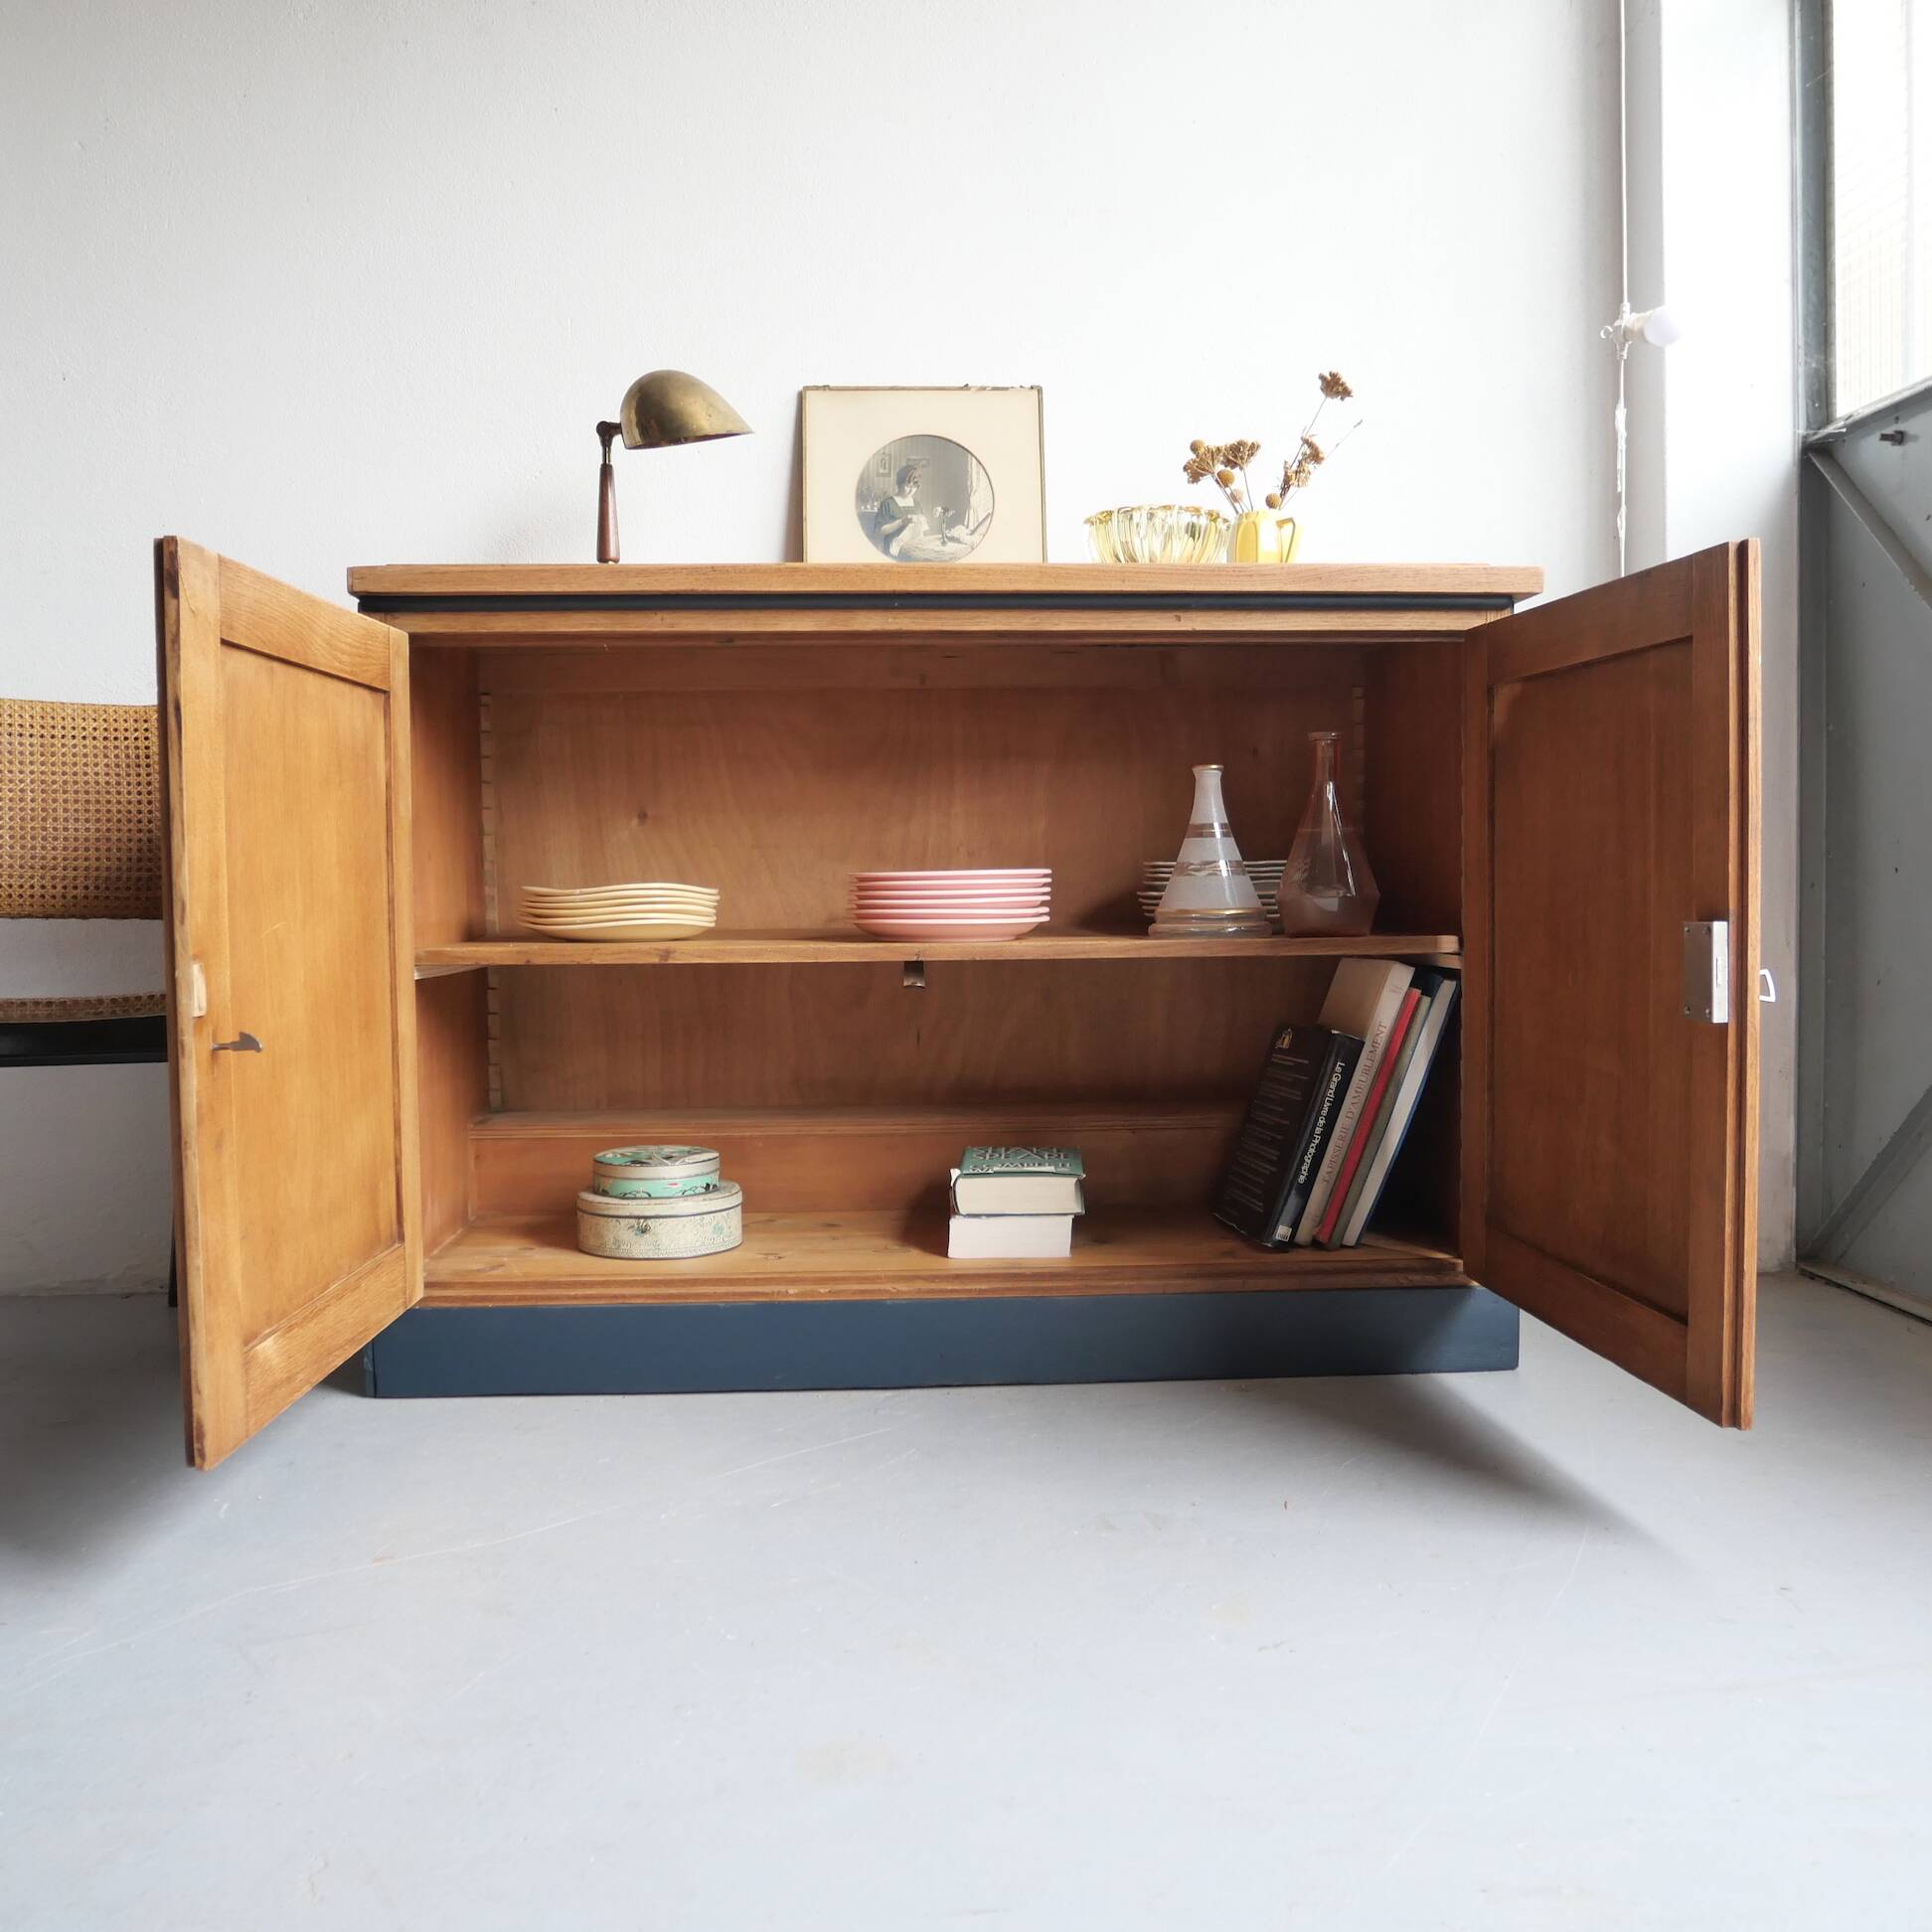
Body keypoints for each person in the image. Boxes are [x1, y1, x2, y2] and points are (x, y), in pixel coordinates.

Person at [872, 459, 929, 558]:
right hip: (893, 552)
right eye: (908, 485)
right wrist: (901, 522)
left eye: (914, 486)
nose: (911, 490)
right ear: (899, 483)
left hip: (913, 551)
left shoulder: (917, 504)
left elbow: (922, 530)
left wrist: (923, 522)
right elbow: (879, 531)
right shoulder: (888, 503)